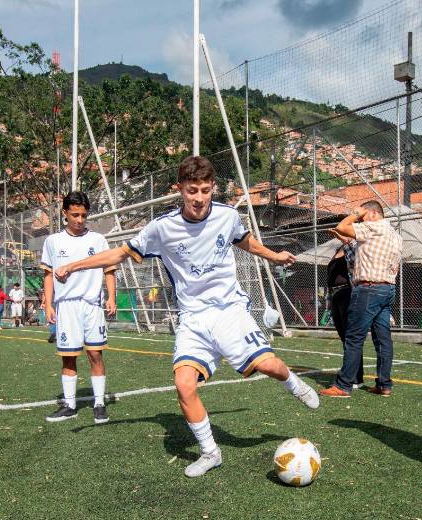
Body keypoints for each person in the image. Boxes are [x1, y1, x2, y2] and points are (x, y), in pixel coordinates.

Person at [54, 156, 319, 477]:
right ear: (178, 189)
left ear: (213, 189)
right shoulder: (162, 228)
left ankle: (293, 383)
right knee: (183, 384)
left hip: (229, 312)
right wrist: (73, 265)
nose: (199, 198)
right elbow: (119, 254)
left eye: (206, 190)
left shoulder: (227, 216)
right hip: (193, 320)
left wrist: (275, 255)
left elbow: (246, 241)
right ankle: (211, 452)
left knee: (268, 366)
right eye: (192, 190)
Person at [41, 191, 117, 424]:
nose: (80, 220)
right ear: (65, 213)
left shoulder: (97, 240)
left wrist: (111, 297)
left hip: (92, 305)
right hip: (67, 307)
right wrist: (49, 304)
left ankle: (99, 403)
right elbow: (48, 275)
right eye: (75, 215)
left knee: (95, 354)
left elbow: (109, 270)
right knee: (68, 357)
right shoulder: (53, 241)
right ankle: (70, 405)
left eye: (84, 215)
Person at [320, 200, 402, 399]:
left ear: (373, 214)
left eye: (364, 215)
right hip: (388, 288)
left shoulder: (372, 227)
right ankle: (384, 384)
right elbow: (353, 242)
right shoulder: (395, 235)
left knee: (354, 337)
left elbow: (342, 226)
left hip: (368, 288)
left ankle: (344, 385)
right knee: (383, 340)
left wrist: (356, 214)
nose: (360, 220)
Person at [325, 237, 366, 390]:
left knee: (351, 338)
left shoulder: (354, 246)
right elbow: (329, 278)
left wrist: (349, 242)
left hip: (349, 293)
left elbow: (356, 263)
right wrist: (328, 299)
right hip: (336, 296)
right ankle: (349, 372)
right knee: (345, 338)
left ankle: (356, 377)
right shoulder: (338, 249)